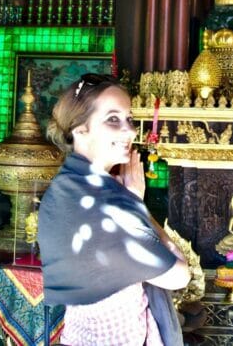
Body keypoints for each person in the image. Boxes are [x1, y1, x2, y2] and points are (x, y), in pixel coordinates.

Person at [39, 73, 190, 346]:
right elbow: (179, 275)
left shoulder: (69, 185)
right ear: (80, 129)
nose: (131, 131)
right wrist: (135, 202)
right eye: (113, 120)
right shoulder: (100, 202)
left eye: (129, 119)